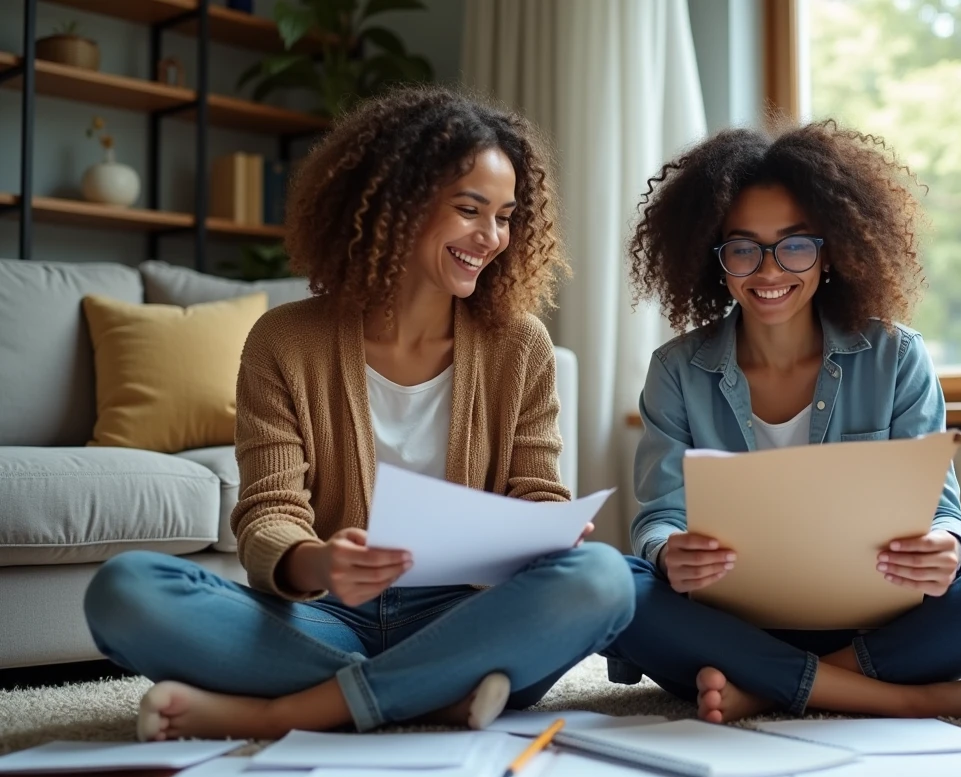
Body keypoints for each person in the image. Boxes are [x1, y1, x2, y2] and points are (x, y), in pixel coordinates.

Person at [83, 86, 635, 742]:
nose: (491, 237)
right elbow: (268, 516)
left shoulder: (520, 345)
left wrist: (546, 529)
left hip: (465, 612)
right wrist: (320, 563)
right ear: (398, 205)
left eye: (507, 216)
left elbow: (539, 495)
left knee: (603, 578)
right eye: (469, 209)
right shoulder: (285, 340)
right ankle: (433, 692)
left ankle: (290, 710)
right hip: (327, 617)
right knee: (124, 590)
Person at [603, 119, 961, 729]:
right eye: (743, 247)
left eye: (796, 245)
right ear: (714, 259)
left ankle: (771, 687)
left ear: (832, 252)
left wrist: (947, 549)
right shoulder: (676, 369)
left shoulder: (896, 356)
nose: (769, 270)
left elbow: (944, 511)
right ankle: (905, 697)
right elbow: (660, 515)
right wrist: (668, 554)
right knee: (612, 584)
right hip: (733, 621)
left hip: (872, 620)